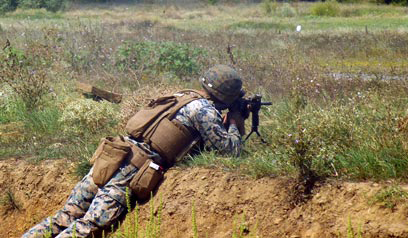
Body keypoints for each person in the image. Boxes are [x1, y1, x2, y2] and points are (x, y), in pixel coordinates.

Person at [22, 64, 246, 238]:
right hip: (132, 169)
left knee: (64, 216)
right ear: (226, 96)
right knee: (90, 226)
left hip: (112, 156)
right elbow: (230, 152)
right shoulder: (204, 111)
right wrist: (235, 122)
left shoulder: (181, 95)